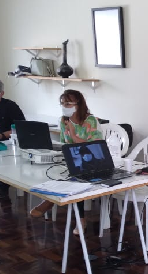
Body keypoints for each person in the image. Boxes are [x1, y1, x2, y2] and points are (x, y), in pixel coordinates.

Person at [30, 90, 102, 235]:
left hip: (92, 160)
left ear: (78, 104)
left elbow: (94, 147)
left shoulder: (90, 121)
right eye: (62, 103)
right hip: (72, 159)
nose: (65, 106)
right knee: (52, 170)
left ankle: (74, 216)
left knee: (76, 178)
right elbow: (64, 143)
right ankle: (51, 198)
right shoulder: (63, 121)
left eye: (68, 103)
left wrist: (73, 134)